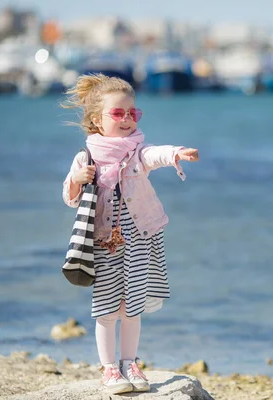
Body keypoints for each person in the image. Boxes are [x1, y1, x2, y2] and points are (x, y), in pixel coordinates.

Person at [61, 73, 199, 394]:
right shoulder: (87, 157)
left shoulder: (136, 150)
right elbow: (70, 198)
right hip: (103, 243)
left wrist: (176, 152)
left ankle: (129, 362)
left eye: (132, 113)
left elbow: (153, 154)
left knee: (132, 305)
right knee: (107, 308)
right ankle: (109, 369)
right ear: (97, 120)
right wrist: (79, 178)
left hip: (139, 238)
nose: (127, 120)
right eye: (118, 113)